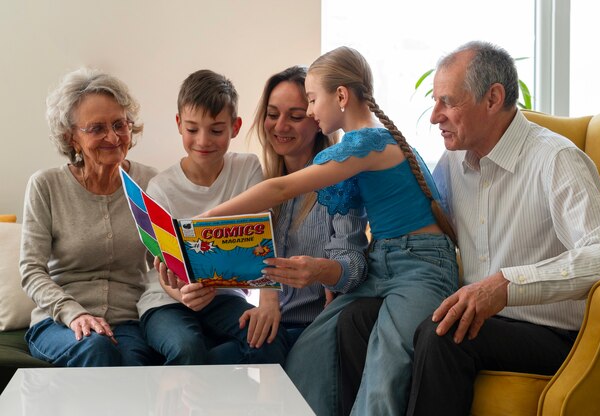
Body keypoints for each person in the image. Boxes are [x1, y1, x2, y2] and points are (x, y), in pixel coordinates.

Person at [336, 40, 600, 416]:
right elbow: (425, 231)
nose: (434, 116)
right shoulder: (453, 164)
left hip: (551, 333)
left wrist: (507, 285)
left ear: (492, 99)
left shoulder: (556, 159)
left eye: (447, 102)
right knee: (356, 317)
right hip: (478, 316)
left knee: (446, 336)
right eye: (435, 101)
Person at [192, 46, 459, 416]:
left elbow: (280, 189)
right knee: (310, 350)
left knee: (386, 366)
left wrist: (203, 220)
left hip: (421, 263)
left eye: (313, 100)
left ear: (342, 96)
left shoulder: (368, 143)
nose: (314, 111)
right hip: (385, 260)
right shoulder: (358, 149)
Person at [137, 69, 289, 365]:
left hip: (225, 298)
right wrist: (183, 295)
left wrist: (270, 302)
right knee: (186, 347)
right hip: (167, 302)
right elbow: (161, 266)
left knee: (267, 336)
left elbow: (264, 240)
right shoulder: (161, 188)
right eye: (192, 129)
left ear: (235, 127)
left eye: (216, 130)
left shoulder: (247, 169)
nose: (203, 141)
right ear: (179, 125)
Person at [20, 68, 160, 366]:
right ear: (71, 137)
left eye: (119, 124)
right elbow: (32, 270)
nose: (113, 137)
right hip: (60, 323)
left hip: (128, 323)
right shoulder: (46, 186)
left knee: (135, 364)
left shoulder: (150, 184)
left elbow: (162, 262)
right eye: (97, 128)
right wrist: (75, 313)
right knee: (96, 349)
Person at [237, 66, 368, 349]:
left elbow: (355, 267)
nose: (280, 126)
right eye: (272, 115)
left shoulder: (338, 182)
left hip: (311, 330)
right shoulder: (258, 181)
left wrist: (321, 270)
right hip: (269, 324)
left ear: (316, 118)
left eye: (295, 117)